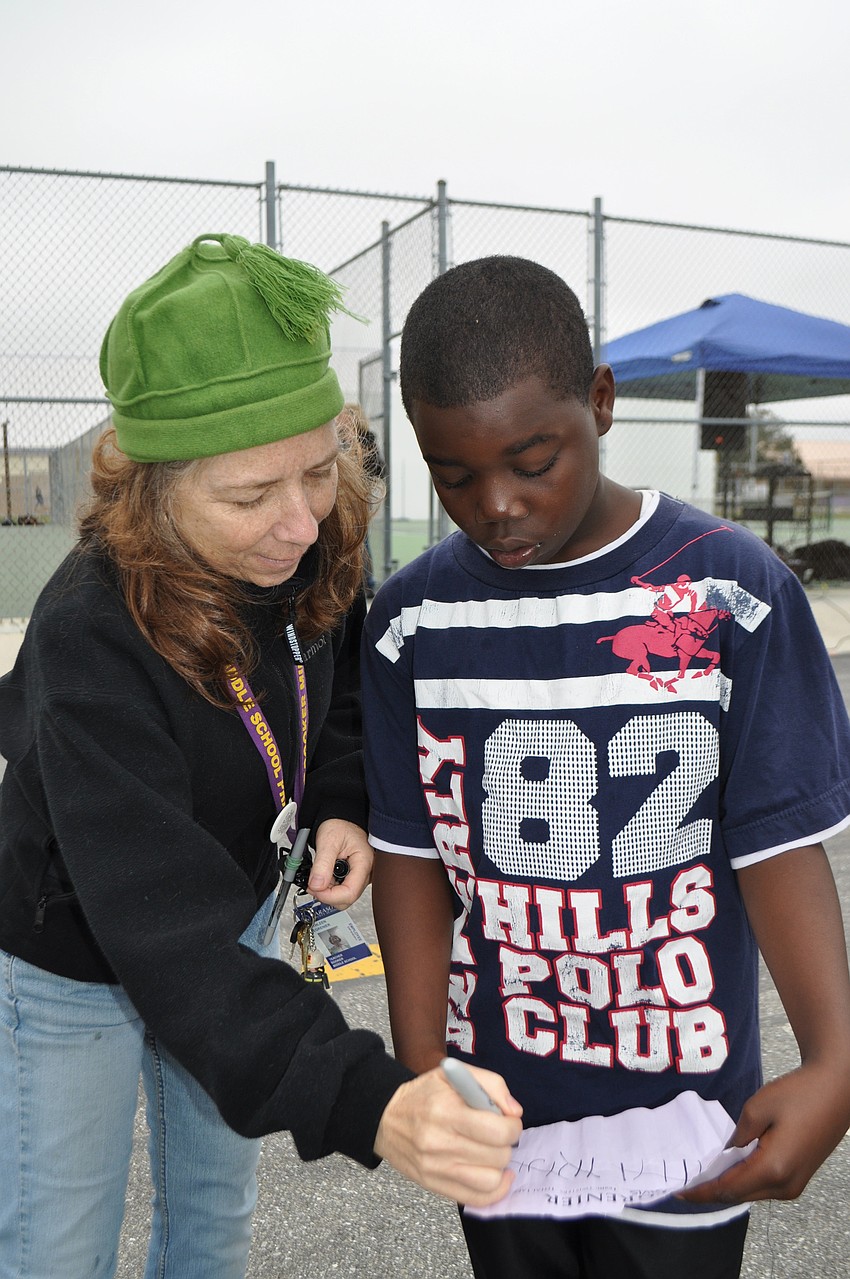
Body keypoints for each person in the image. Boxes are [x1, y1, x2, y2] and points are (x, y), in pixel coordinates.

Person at [0, 235, 521, 1279]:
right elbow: (175, 944)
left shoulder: (313, 538)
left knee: (213, 1218)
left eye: (319, 470)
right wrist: (372, 1101)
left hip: (235, 912)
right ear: (150, 490)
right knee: (59, 1248)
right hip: (77, 950)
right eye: (248, 497)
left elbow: (337, 681)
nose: (296, 524)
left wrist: (339, 796)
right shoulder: (89, 635)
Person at [360, 256, 850, 1279]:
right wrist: (421, 1068)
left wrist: (837, 1061)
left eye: (532, 460)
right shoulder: (411, 620)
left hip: (685, 1115)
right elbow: (410, 854)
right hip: (502, 1116)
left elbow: (778, 846)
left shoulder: (731, 591)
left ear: (600, 402)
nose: (496, 504)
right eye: (454, 475)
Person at [338, 402, 386, 596]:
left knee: (360, 540)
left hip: (359, 498)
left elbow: (377, 469)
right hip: (345, 500)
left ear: (353, 418)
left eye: (344, 415)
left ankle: (366, 582)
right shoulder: (339, 439)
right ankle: (355, 583)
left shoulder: (366, 440)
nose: (339, 419)